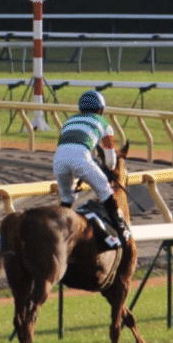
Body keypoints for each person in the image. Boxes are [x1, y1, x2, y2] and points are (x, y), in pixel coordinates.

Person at [55, 89, 127, 236]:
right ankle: (120, 228)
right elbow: (111, 161)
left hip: (58, 161)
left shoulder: (68, 122)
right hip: (81, 159)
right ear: (100, 109)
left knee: (67, 198)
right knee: (105, 190)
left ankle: (58, 227)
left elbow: (65, 147)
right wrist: (106, 168)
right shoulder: (104, 124)